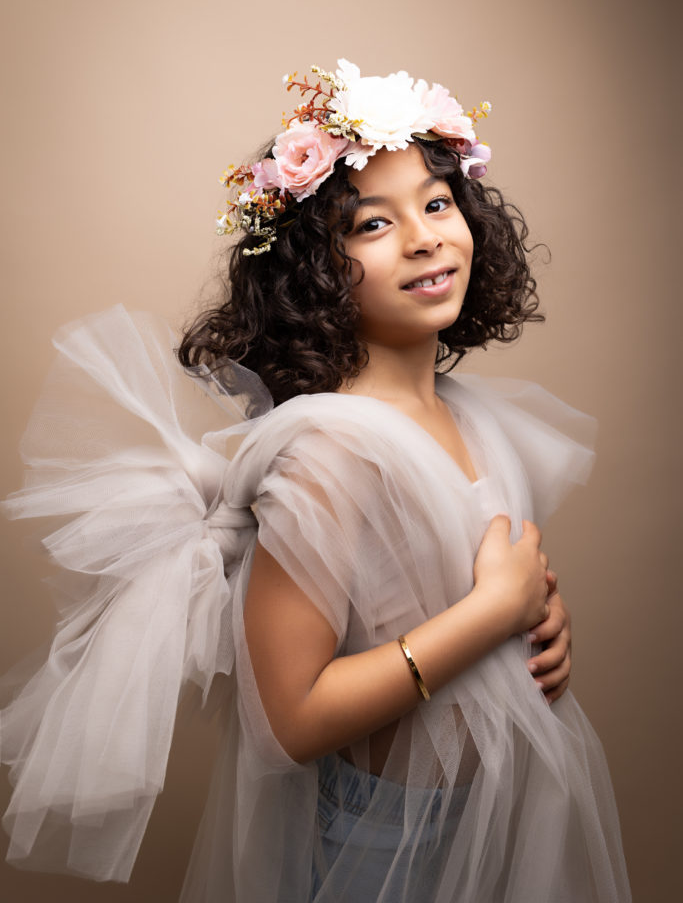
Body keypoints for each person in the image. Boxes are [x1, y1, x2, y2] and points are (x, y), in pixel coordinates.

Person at [1, 61, 630, 902]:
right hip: (378, 847)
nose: (423, 237)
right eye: (373, 224)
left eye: (437, 203)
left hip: (493, 815)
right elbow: (289, 720)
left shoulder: (470, 415)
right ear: (316, 268)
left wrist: (535, 620)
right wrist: (492, 614)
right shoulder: (328, 450)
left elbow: (456, 576)